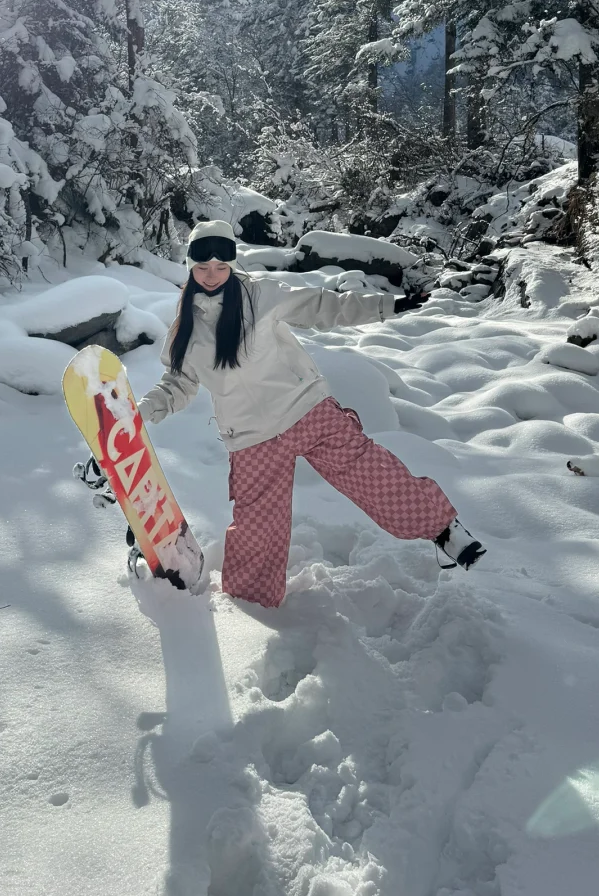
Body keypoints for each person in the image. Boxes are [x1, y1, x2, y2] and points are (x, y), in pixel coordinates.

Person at [138, 220, 485, 608]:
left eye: (221, 266)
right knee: (257, 530)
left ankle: (443, 529)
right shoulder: (186, 329)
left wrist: (388, 305)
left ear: (233, 264)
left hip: (305, 409)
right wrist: (143, 411)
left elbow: (324, 306)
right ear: (190, 266)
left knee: (370, 473)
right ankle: (251, 608)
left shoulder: (260, 296)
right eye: (203, 268)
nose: (213, 275)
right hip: (251, 438)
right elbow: (178, 384)